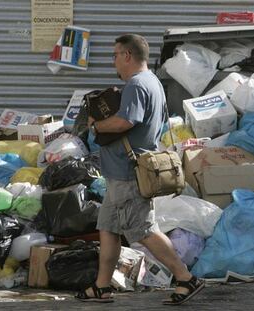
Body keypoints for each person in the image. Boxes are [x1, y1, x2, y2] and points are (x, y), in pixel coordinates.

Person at [75, 34, 205, 305]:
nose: (113, 62)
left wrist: (96, 126)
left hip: (128, 173)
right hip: (121, 173)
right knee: (109, 229)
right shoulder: (153, 81)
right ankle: (102, 287)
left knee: (143, 230)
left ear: (127, 56)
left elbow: (125, 122)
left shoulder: (136, 84)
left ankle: (185, 278)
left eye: (114, 56)